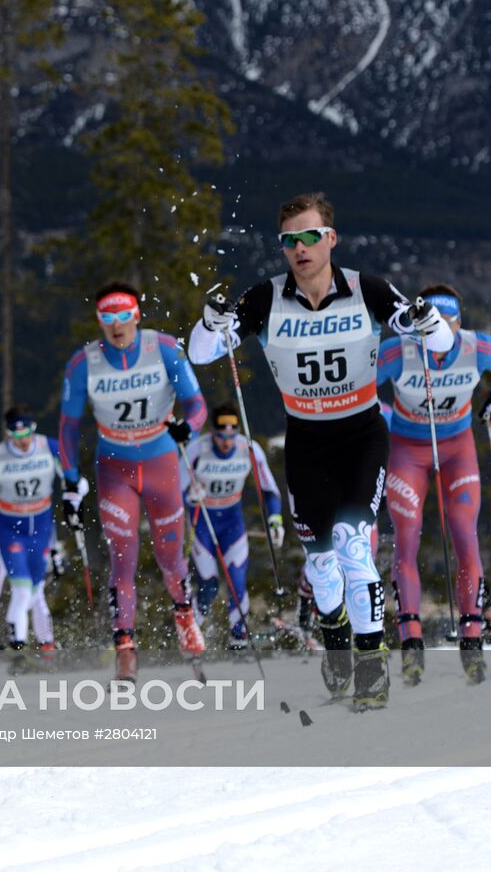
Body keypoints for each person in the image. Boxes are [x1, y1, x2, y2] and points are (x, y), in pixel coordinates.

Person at [191, 192, 452, 711]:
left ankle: (371, 663)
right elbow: (202, 353)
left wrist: (429, 322)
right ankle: (335, 638)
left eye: (310, 236)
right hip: (306, 443)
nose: (300, 248)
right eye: (289, 240)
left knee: (355, 545)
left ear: (330, 238)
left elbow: (438, 341)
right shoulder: (266, 298)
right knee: (323, 566)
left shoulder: (366, 289)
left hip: (361, 436)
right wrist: (209, 322)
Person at [59, 282, 208, 682]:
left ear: (137, 315)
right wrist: (70, 483)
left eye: (124, 315)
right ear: (99, 320)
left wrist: (188, 428)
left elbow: (196, 405)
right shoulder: (84, 363)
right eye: (107, 317)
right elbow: (68, 428)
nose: (117, 325)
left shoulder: (164, 348)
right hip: (115, 469)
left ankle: (185, 616)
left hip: (161, 465)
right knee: (122, 557)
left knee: (170, 558)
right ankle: (124, 647)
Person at [377, 283, 491, 685]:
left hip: (458, 449)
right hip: (408, 451)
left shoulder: (477, 347)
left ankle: (472, 640)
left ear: (458, 323)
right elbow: (358, 386)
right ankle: (411, 642)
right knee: (407, 536)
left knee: (464, 534)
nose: (439, 335)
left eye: (448, 324)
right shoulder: (398, 352)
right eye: (431, 326)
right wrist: (378, 414)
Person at [0, 406, 77, 655]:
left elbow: (44, 515)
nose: (23, 442)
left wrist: (54, 550)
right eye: (16, 435)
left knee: (35, 593)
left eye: (27, 434)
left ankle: (47, 649)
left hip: (29, 538)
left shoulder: (43, 455)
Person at [180, 403, 284, 650]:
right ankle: (190, 636)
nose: (227, 442)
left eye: (231, 436)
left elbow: (270, 491)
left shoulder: (249, 449)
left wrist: (275, 519)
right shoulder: (197, 449)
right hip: (202, 522)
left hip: (232, 522)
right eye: (221, 436)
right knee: (209, 585)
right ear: (213, 433)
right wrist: (190, 496)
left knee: (237, 580)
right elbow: (175, 492)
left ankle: (239, 640)